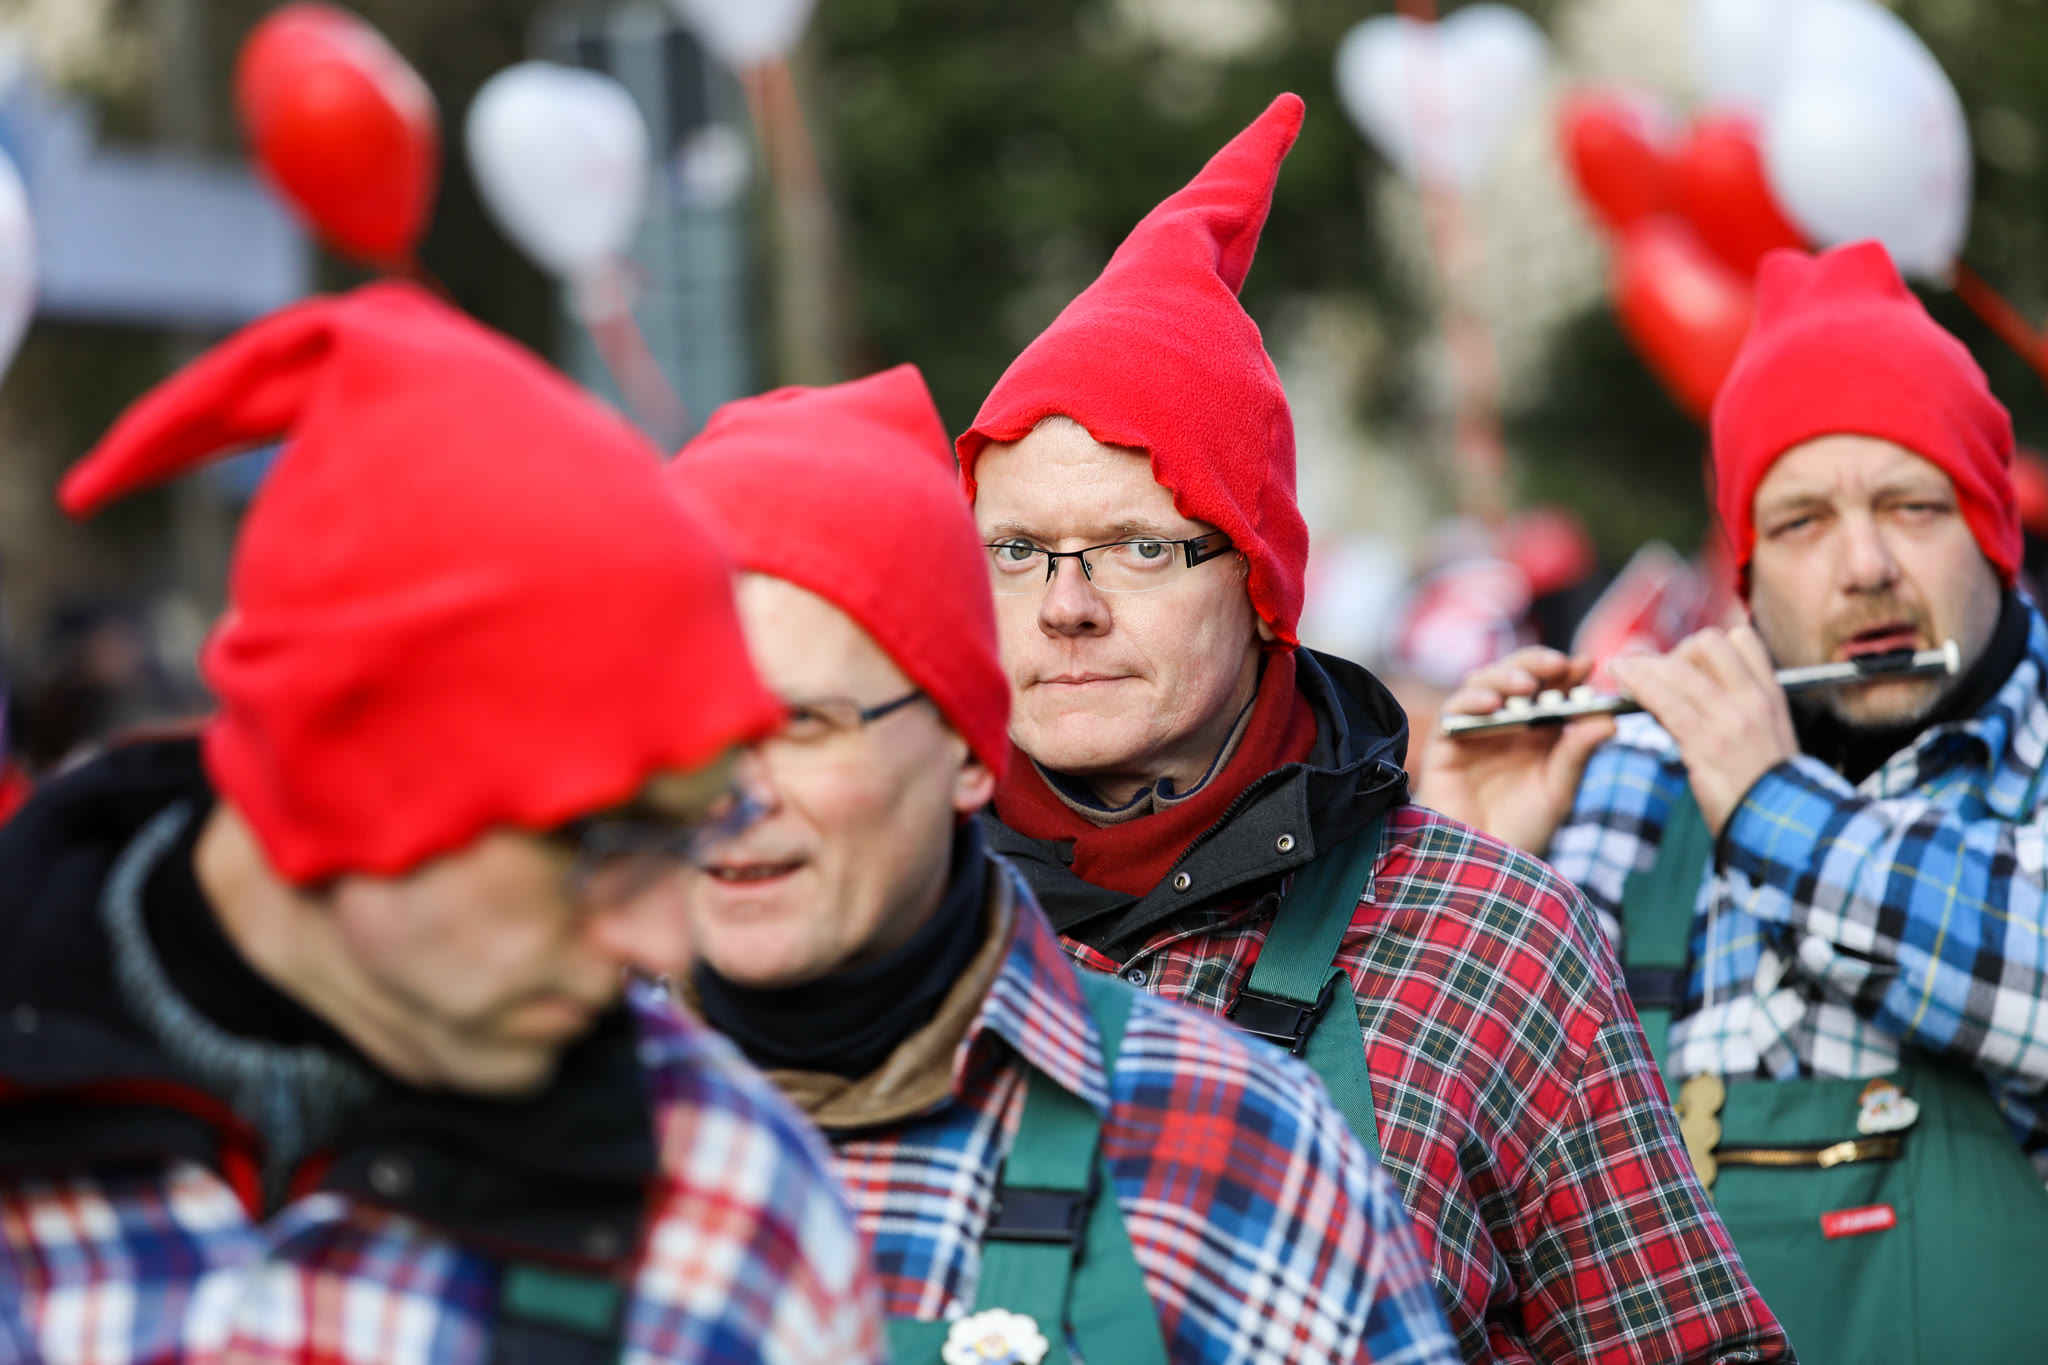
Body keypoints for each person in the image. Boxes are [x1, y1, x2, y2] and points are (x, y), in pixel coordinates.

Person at [959, 94, 1791, 1365]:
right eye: (1015, 550)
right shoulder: (886, 929)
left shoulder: (1491, 940)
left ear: (1260, 582)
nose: (1065, 607)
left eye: (1138, 547)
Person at [0, 284, 883, 1365]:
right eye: (601, 845)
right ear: (337, 776)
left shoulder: (737, 1216)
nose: (665, 938)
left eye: (697, 827)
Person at [663, 364, 1462, 1365]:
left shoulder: (1228, 1141)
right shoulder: (517, 1126)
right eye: (682, 728)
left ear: (965, 743)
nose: (732, 794)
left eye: (804, 726)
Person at [1420, 240, 2048, 1363]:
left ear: (1993, 533)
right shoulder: (1627, 785)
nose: (1864, 566)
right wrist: (1466, 880)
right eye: (1801, 522)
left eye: (1911, 504)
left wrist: (1767, 805)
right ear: (1747, 572)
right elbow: (1456, 1198)